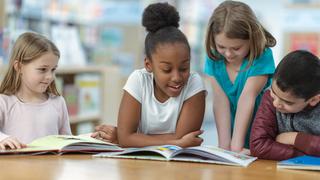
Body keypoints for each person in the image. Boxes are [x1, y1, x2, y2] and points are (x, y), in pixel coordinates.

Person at [93, 2, 206, 148]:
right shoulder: (138, 80)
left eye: (184, 68)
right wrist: (175, 141)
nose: (177, 77)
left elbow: (184, 139)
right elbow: (127, 138)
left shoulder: (194, 83)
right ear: (148, 65)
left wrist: (131, 138)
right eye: (166, 69)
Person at [204, 0, 276, 153]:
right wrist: (224, 147)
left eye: (236, 48)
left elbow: (247, 98)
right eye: (221, 47)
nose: (228, 54)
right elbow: (220, 101)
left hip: (259, 134)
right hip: (230, 130)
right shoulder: (213, 59)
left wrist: (236, 146)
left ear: (251, 39)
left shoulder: (262, 57)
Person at [0, 32, 71, 150]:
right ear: (19, 67)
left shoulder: (58, 103)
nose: (50, 76)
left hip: (50, 167)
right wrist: (2, 139)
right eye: (43, 69)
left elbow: (67, 142)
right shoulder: (4, 102)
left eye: (53, 70)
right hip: (14, 168)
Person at [250, 50, 320, 160]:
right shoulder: (269, 97)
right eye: (274, 92)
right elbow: (258, 145)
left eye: (288, 102)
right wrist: (310, 153)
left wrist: (295, 139)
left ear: (314, 100)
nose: (276, 103)